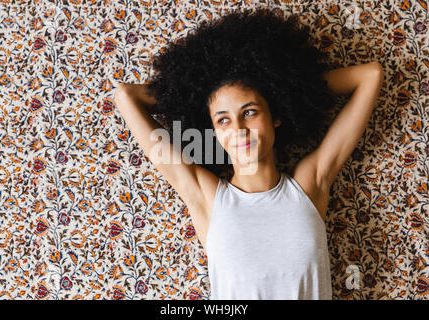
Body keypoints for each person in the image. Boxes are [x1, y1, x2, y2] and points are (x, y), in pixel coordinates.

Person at [114, 7, 384, 299]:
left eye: (250, 111)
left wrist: (288, 89)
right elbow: (126, 96)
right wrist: (192, 96)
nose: (239, 128)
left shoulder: (310, 184)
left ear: (275, 114)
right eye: (223, 119)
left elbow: (369, 75)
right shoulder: (206, 197)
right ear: (213, 130)